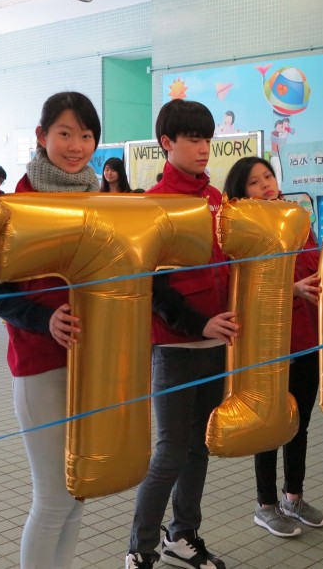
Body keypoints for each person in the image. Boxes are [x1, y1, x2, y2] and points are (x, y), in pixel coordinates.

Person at [0, 91, 100, 569]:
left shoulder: (103, 202)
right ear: (41, 136)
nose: (76, 146)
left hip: (95, 363)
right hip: (39, 365)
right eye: (65, 133)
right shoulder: (16, 206)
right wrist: (44, 318)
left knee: (78, 494)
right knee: (52, 497)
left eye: (87, 135)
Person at [126, 99, 239, 569]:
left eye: (207, 138)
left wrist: (283, 288)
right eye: (193, 138)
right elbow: (152, 286)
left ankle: (183, 536)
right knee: (171, 449)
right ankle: (140, 548)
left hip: (219, 344)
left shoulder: (216, 201)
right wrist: (197, 324)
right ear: (167, 143)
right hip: (175, 347)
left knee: (200, 446)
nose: (203, 148)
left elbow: (235, 266)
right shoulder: (155, 205)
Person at [222, 156, 323, 538]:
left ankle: (293, 497)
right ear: (240, 191)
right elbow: (240, 286)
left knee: (299, 422)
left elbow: (313, 264)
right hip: (265, 344)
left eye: (268, 176)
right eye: (254, 181)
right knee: (268, 423)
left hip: (305, 337)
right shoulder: (241, 228)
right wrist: (292, 290)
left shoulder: (295, 217)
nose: (265, 184)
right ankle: (265, 505)